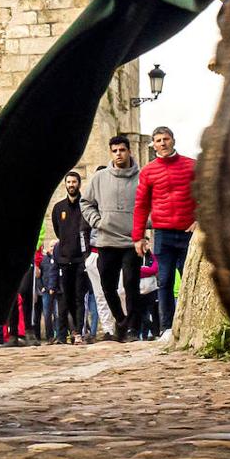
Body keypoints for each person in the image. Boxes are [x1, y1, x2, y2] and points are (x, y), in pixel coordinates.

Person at [132, 126, 196, 340]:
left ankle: (192, 324)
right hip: (163, 233)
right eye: (158, 140)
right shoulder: (148, 171)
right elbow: (141, 204)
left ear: (173, 140)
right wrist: (138, 237)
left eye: (166, 139)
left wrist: (199, 221)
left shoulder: (191, 166)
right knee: (165, 280)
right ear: (153, 144)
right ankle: (167, 327)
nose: (162, 143)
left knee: (189, 279)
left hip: (188, 232)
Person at [82, 136, 141, 342]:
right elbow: (86, 203)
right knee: (108, 286)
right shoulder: (99, 178)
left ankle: (133, 328)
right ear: (110, 152)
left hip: (132, 241)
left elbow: (151, 203)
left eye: (122, 150)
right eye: (115, 150)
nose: (118, 154)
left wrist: (144, 225)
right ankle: (121, 320)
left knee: (131, 283)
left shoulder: (142, 177)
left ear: (129, 151)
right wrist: (97, 221)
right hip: (106, 241)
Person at [50, 170, 90, 343]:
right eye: (69, 182)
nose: (71, 185)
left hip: (81, 259)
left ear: (79, 184)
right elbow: (59, 231)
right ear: (65, 184)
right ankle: (61, 335)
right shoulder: (59, 208)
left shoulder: (85, 205)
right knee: (65, 299)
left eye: (74, 182)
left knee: (79, 297)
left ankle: (79, 332)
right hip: (65, 260)